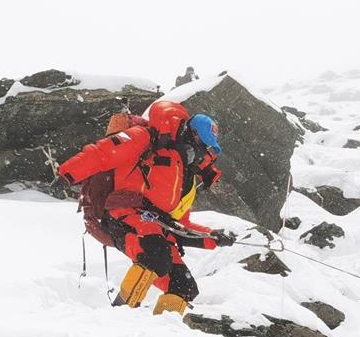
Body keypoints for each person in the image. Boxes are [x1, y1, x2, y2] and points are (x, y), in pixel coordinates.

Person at [58, 101, 236, 315]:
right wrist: (68, 172)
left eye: (204, 146)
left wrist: (213, 237)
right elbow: (103, 153)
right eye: (199, 141)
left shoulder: (183, 174)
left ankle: (160, 329)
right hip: (124, 214)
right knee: (155, 255)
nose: (199, 149)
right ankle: (119, 314)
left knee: (184, 286)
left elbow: (182, 224)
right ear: (189, 132)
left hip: (157, 227)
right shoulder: (147, 137)